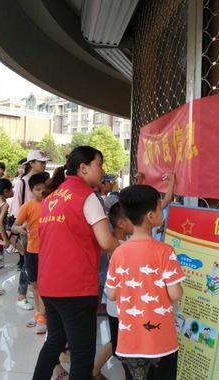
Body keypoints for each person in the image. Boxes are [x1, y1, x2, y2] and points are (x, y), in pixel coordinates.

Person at [32, 146, 120, 380]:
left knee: (54, 342)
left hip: (49, 284)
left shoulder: (52, 197)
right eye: (99, 164)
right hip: (75, 287)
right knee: (82, 355)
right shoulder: (87, 197)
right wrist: (133, 251)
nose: (102, 170)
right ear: (83, 168)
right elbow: (106, 241)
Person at [106, 184, 185, 380]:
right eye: (159, 207)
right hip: (161, 343)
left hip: (129, 343)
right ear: (150, 216)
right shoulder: (165, 251)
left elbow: (112, 294)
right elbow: (175, 293)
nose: (162, 210)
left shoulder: (118, 252)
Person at [93, 202, 134, 380]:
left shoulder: (114, 242)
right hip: (120, 306)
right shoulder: (120, 246)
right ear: (121, 223)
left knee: (117, 342)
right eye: (133, 218)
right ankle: (94, 371)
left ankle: (94, 371)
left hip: (115, 306)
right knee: (122, 346)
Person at [11, 150, 50, 311]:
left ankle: (37, 296)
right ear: (31, 163)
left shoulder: (45, 179)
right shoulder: (22, 182)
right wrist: (19, 227)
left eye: (45, 162)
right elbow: (16, 206)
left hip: (43, 227)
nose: (44, 165)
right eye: (41, 162)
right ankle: (22, 295)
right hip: (28, 227)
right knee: (29, 263)